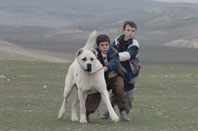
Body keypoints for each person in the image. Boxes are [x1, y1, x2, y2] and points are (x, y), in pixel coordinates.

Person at [101, 20, 141, 120]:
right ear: (123, 31)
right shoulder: (117, 41)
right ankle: (110, 111)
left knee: (129, 95)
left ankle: (125, 113)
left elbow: (128, 55)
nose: (130, 32)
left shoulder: (135, 45)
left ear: (135, 32)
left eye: (132, 30)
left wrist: (113, 57)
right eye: (128, 30)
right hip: (118, 71)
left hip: (130, 73)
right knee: (116, 91)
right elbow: (109, 50)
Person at [85, 34, 130, 122]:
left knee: (119, 87)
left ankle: (123, 111)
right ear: (97, 46)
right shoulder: (93, 53)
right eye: (102, 45)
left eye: (106, 45)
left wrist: (106, 68)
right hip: (100, 78)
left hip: (114, 77)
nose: (105, 47)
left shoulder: (113, 52)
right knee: (94, 93)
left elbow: (115, 62)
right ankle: (87, 114)